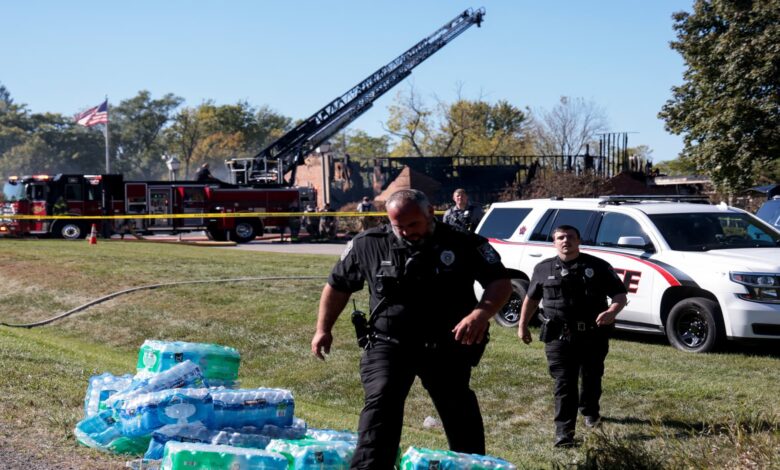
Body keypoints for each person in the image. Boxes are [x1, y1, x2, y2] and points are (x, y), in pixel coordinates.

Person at [311, 189, 512, 469]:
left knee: (459, 410)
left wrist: (481, 313)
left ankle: (472, 465)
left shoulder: (463, 242)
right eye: (398, 226)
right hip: (388, 343)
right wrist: (324, 328)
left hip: (446, 344)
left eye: (412, 224)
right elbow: (337, 285)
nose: (405, 232)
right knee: (381, 401)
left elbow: (501, 282)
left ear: (430, 212)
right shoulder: (369, 244)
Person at [518, 225, 627, 448]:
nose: (565, 241)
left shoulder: (597, 266)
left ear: (578, 241)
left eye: (570, 237)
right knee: (564, 383)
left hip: (592, 335)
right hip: (559, 336)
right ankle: (564, 433)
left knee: (592, 376)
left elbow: (619, 294)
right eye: (560, 237)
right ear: (554, 242)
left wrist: (612, 311)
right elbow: (531, 299)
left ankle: (590, 411)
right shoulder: (543, 268)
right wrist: (523, 326)